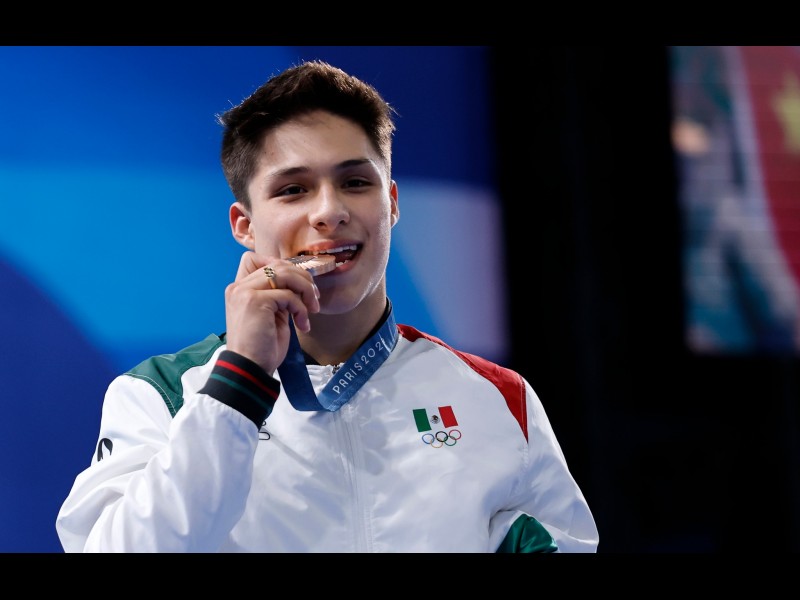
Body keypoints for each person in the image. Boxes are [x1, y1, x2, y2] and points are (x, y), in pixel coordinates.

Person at [55, 59, 599, 553]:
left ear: (391, 204)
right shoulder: (162, 396)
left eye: (355, 182)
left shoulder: (499, 397)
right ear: (245, 225)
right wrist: (239, 382)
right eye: (293, 190)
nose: (329, 211)